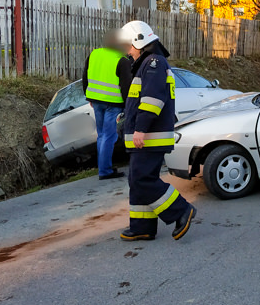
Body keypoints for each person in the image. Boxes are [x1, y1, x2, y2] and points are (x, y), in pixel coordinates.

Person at [118, 20, 196, 242]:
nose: (127, 51)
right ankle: (142, 226)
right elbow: (141, 100)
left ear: (139, 41)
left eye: (128, 45)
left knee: (142, 179)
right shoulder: (150, 63)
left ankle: (181, 211)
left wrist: (140, 129)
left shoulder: (153, 63)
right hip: (146, 136)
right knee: (138, 179)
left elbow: (153, 100)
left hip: (149, 137)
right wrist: (127, 117)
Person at [83, 30, 132, 180]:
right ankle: (105, 171)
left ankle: (103, 167)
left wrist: (88, 96)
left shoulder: (94, 54)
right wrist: (128, 105)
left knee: (102, 135)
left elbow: (85, 76)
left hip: (96, 101)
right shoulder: (122, 60)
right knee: (109, 136)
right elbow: (126, 87)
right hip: (114, 104)